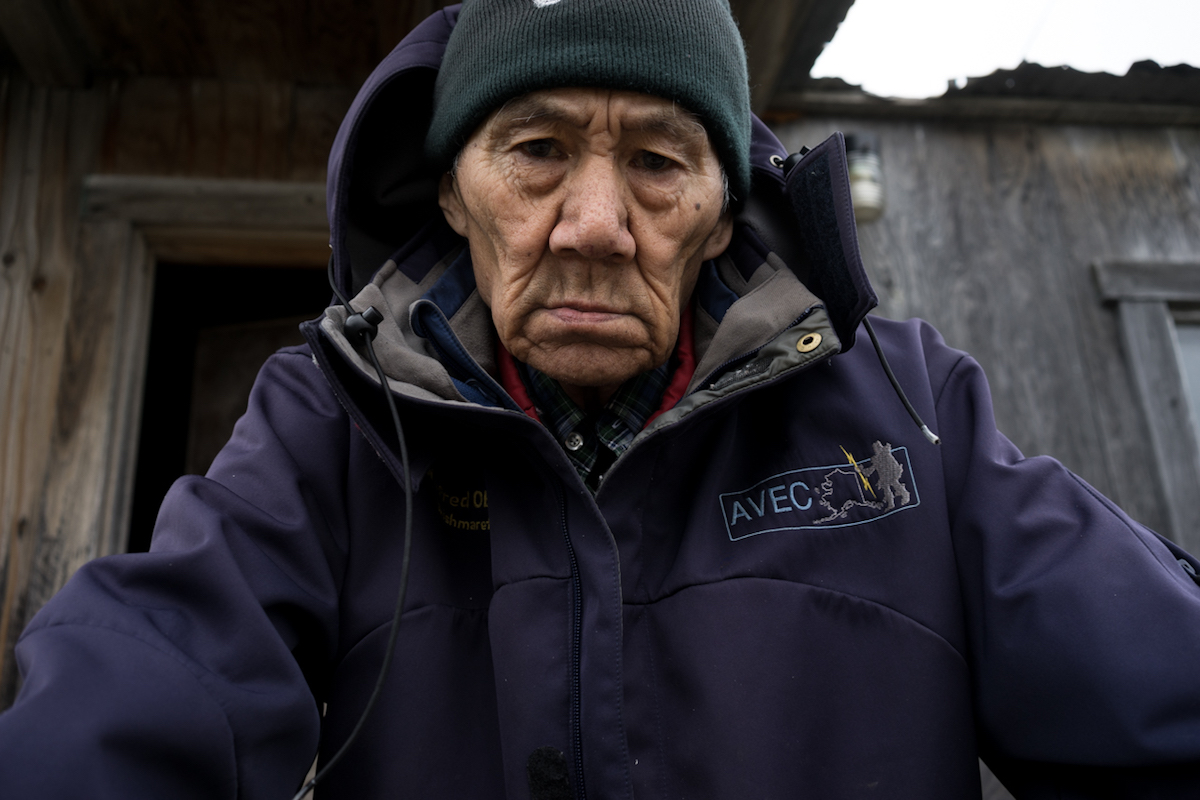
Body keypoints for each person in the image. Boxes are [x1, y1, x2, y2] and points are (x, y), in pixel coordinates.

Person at [3, 1, 1200, 797]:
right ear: (455, 195)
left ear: (725, 207)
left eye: (657, 161)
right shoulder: (332, 417)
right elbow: (159, 672)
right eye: (534, 150)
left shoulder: (908, 408)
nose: (592, 224)